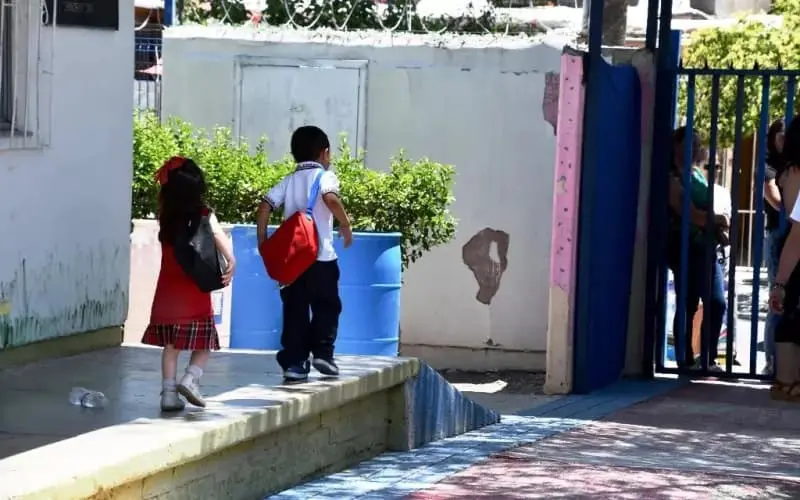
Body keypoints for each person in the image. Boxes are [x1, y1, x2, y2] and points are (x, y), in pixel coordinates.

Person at [256, 126, 353, 381]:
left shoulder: (289, 180)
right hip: (321, 258)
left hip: (293, 262)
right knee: (327, 306)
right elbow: (331, 199)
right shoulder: (325, 177)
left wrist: (263, 240)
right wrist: (345, 224)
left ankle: (295, 363)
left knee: (294, 309)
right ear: (325, 153)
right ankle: (323, 353)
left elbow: (265, 205)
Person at [142, 156, 235, 412]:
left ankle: (169, 394)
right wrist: (231, 259)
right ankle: (191, 378)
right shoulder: (204, 214)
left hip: (168, 294)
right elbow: (216, 234)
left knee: (171, 348)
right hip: (193, 291)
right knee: (204, 344)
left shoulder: (166, 217)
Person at [667, 127, 729, 372]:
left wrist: (715, 220)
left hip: (706, 246)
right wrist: (719, 220)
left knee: (716, 302)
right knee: (688, 303)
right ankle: (685, 360)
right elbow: (690, 214)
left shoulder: (696, 174)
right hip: (684, 245)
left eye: (698, 142)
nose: (695, 147)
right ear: (676, 146)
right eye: (689, 142)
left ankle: (707, 359)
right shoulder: (672, 177)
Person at [768, 115, 800, 401]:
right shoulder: (796, 174)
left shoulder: (789, 173)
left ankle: (786, 380)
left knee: (790, 312)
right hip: (796, 249)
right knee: (790, 313)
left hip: (793, 245)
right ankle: (787, 380)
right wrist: (780, 282)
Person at [763, 119, 786, 375]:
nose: (785, 139)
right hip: (778, 233)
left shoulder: (793, 163)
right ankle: (772, 361)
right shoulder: (769, 165)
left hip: (793, 230)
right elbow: (775, 198)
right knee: (777, 295)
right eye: (781, 134)